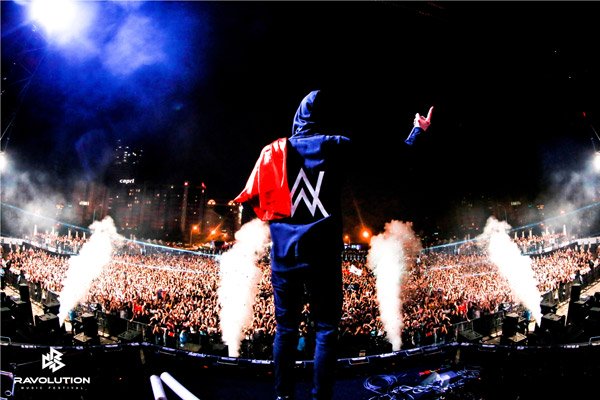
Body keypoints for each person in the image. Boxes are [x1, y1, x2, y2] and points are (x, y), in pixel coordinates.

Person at [235, 90, 432, 400]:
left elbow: (254, 199)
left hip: (285, 254)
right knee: (326, 329)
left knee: (286, 329)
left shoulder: (273, 151)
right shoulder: (334, 145)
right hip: (323, 254)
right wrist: (416, 131)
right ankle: (321, 397)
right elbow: (391, 159)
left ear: (297, 117)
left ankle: (283, 396)